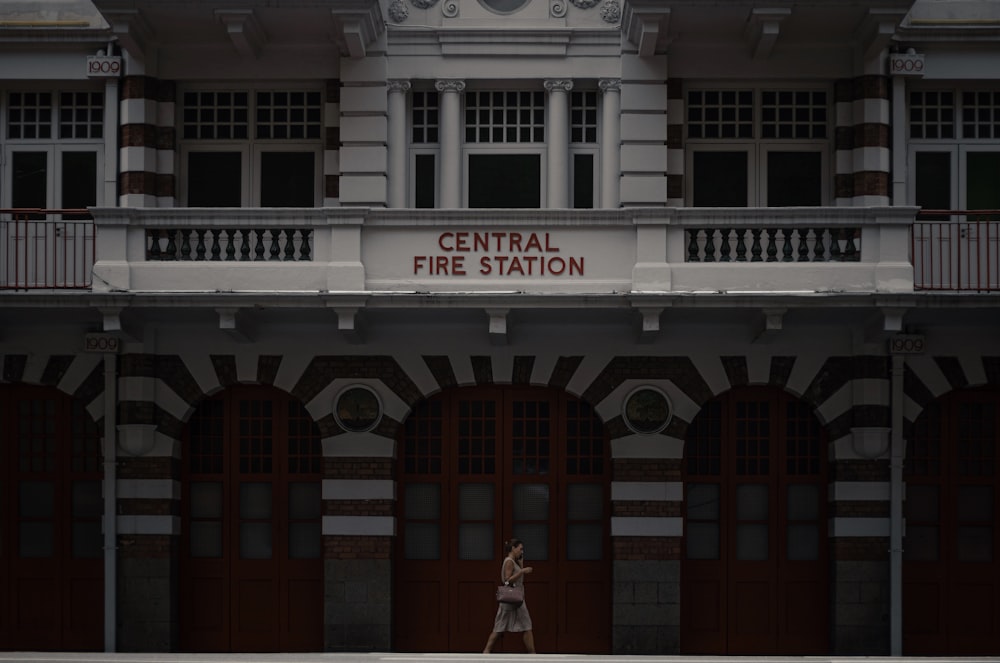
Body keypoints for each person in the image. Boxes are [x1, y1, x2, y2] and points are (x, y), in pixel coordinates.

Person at [483, 538, 535, 654]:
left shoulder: (514, 561)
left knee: (524, 625)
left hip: (517, 597)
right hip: (512, 597)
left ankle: (532, 653)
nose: (522, 551)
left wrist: (521, 564)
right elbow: (507, 580)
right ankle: (486, 651)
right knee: (501, 625)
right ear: (513, 548)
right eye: (520, 549)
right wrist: (522, 571)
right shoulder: (509, 562)